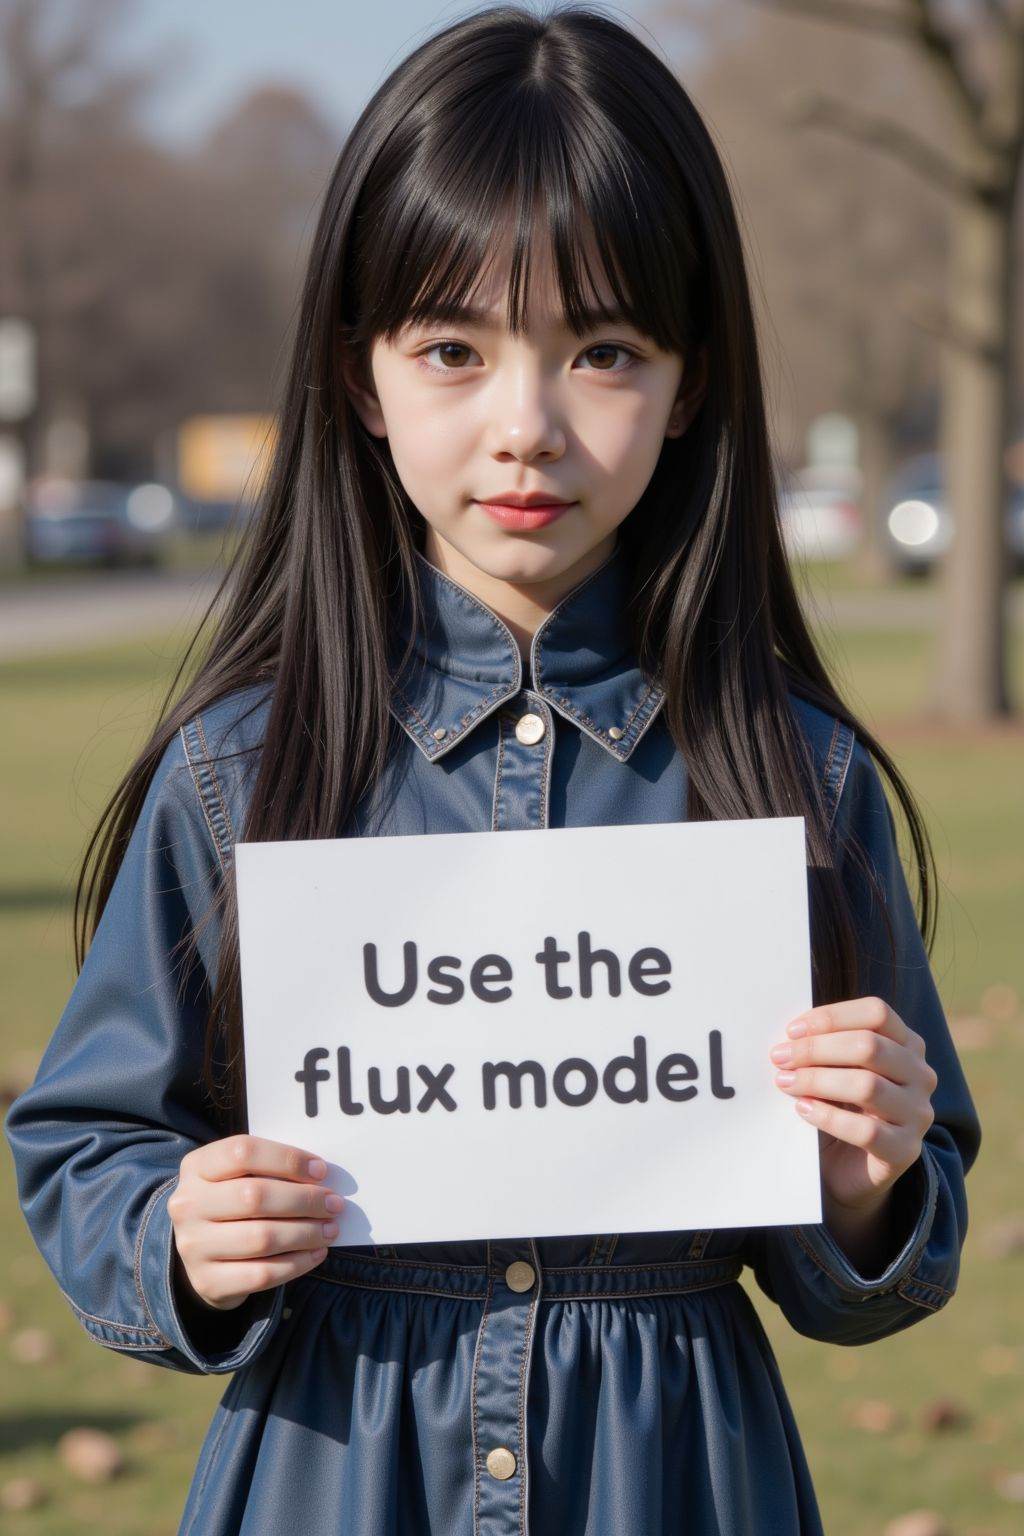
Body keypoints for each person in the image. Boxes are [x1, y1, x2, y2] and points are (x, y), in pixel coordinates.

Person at [4, 6, 980, 1533]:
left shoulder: (804, 778)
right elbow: (89, 1139)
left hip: (679, 1481)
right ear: (360, 375)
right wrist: (175, 1234)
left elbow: (882, 1253)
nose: (526, 427)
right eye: (453, 351)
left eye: (604, 352)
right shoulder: (235, 771)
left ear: (693, 381)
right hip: (331, 1472)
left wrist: (868, 1183)